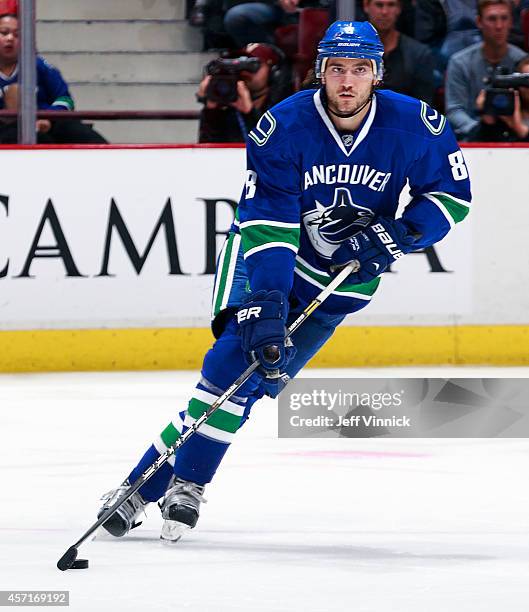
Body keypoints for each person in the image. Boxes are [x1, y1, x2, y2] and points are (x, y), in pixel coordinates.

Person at [97, 20, 471, 543]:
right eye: (337, 68)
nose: (347, 81)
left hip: (340, 286)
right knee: (230, 365)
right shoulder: (283, 126)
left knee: (251, 384)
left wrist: (399, 235)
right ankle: (152, 486)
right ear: (320, 71)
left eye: (359, 69)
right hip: (266, 263)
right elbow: (269, 221)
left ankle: (178, 480)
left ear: (377, 75)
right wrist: (269, 299)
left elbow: (451, 197)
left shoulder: (417, 125)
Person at [0, 13, 107, 144]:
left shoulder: (39, 65)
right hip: (6, 130)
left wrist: (48, 118)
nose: (10, 38)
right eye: (4, 33)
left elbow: (65, 99)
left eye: (17, 34)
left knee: (86, 137)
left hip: (48, 123)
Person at [445, 0, 525, 141]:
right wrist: (479, 128)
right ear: (479, 22)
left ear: (511, 22)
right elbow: (454, 110)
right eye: (492, 19)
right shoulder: (460, 63)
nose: (499, 26)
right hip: (472, 139)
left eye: (504, 18)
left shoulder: (523, 62)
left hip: (517, 136)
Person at [197, 43, 291, 143]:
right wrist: (211, 111)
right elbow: (206, 152)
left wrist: (250, 113)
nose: (245, 72)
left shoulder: (285, 107)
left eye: (252, 65)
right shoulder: (227, 105)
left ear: (274, 72)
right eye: (241, 65)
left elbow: (278, 149)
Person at [363, 0, 435, 104]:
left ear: (399, 9)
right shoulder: (354, 52)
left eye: (391, 5)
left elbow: (424, 105)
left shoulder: (419, 54)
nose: (384, 12)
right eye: (379, 5)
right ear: (366, 6)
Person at [469, 54, 529, 141]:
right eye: (525, 83)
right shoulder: (504, 113)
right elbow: (474, 149)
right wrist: (488, 121)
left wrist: (519, 128)